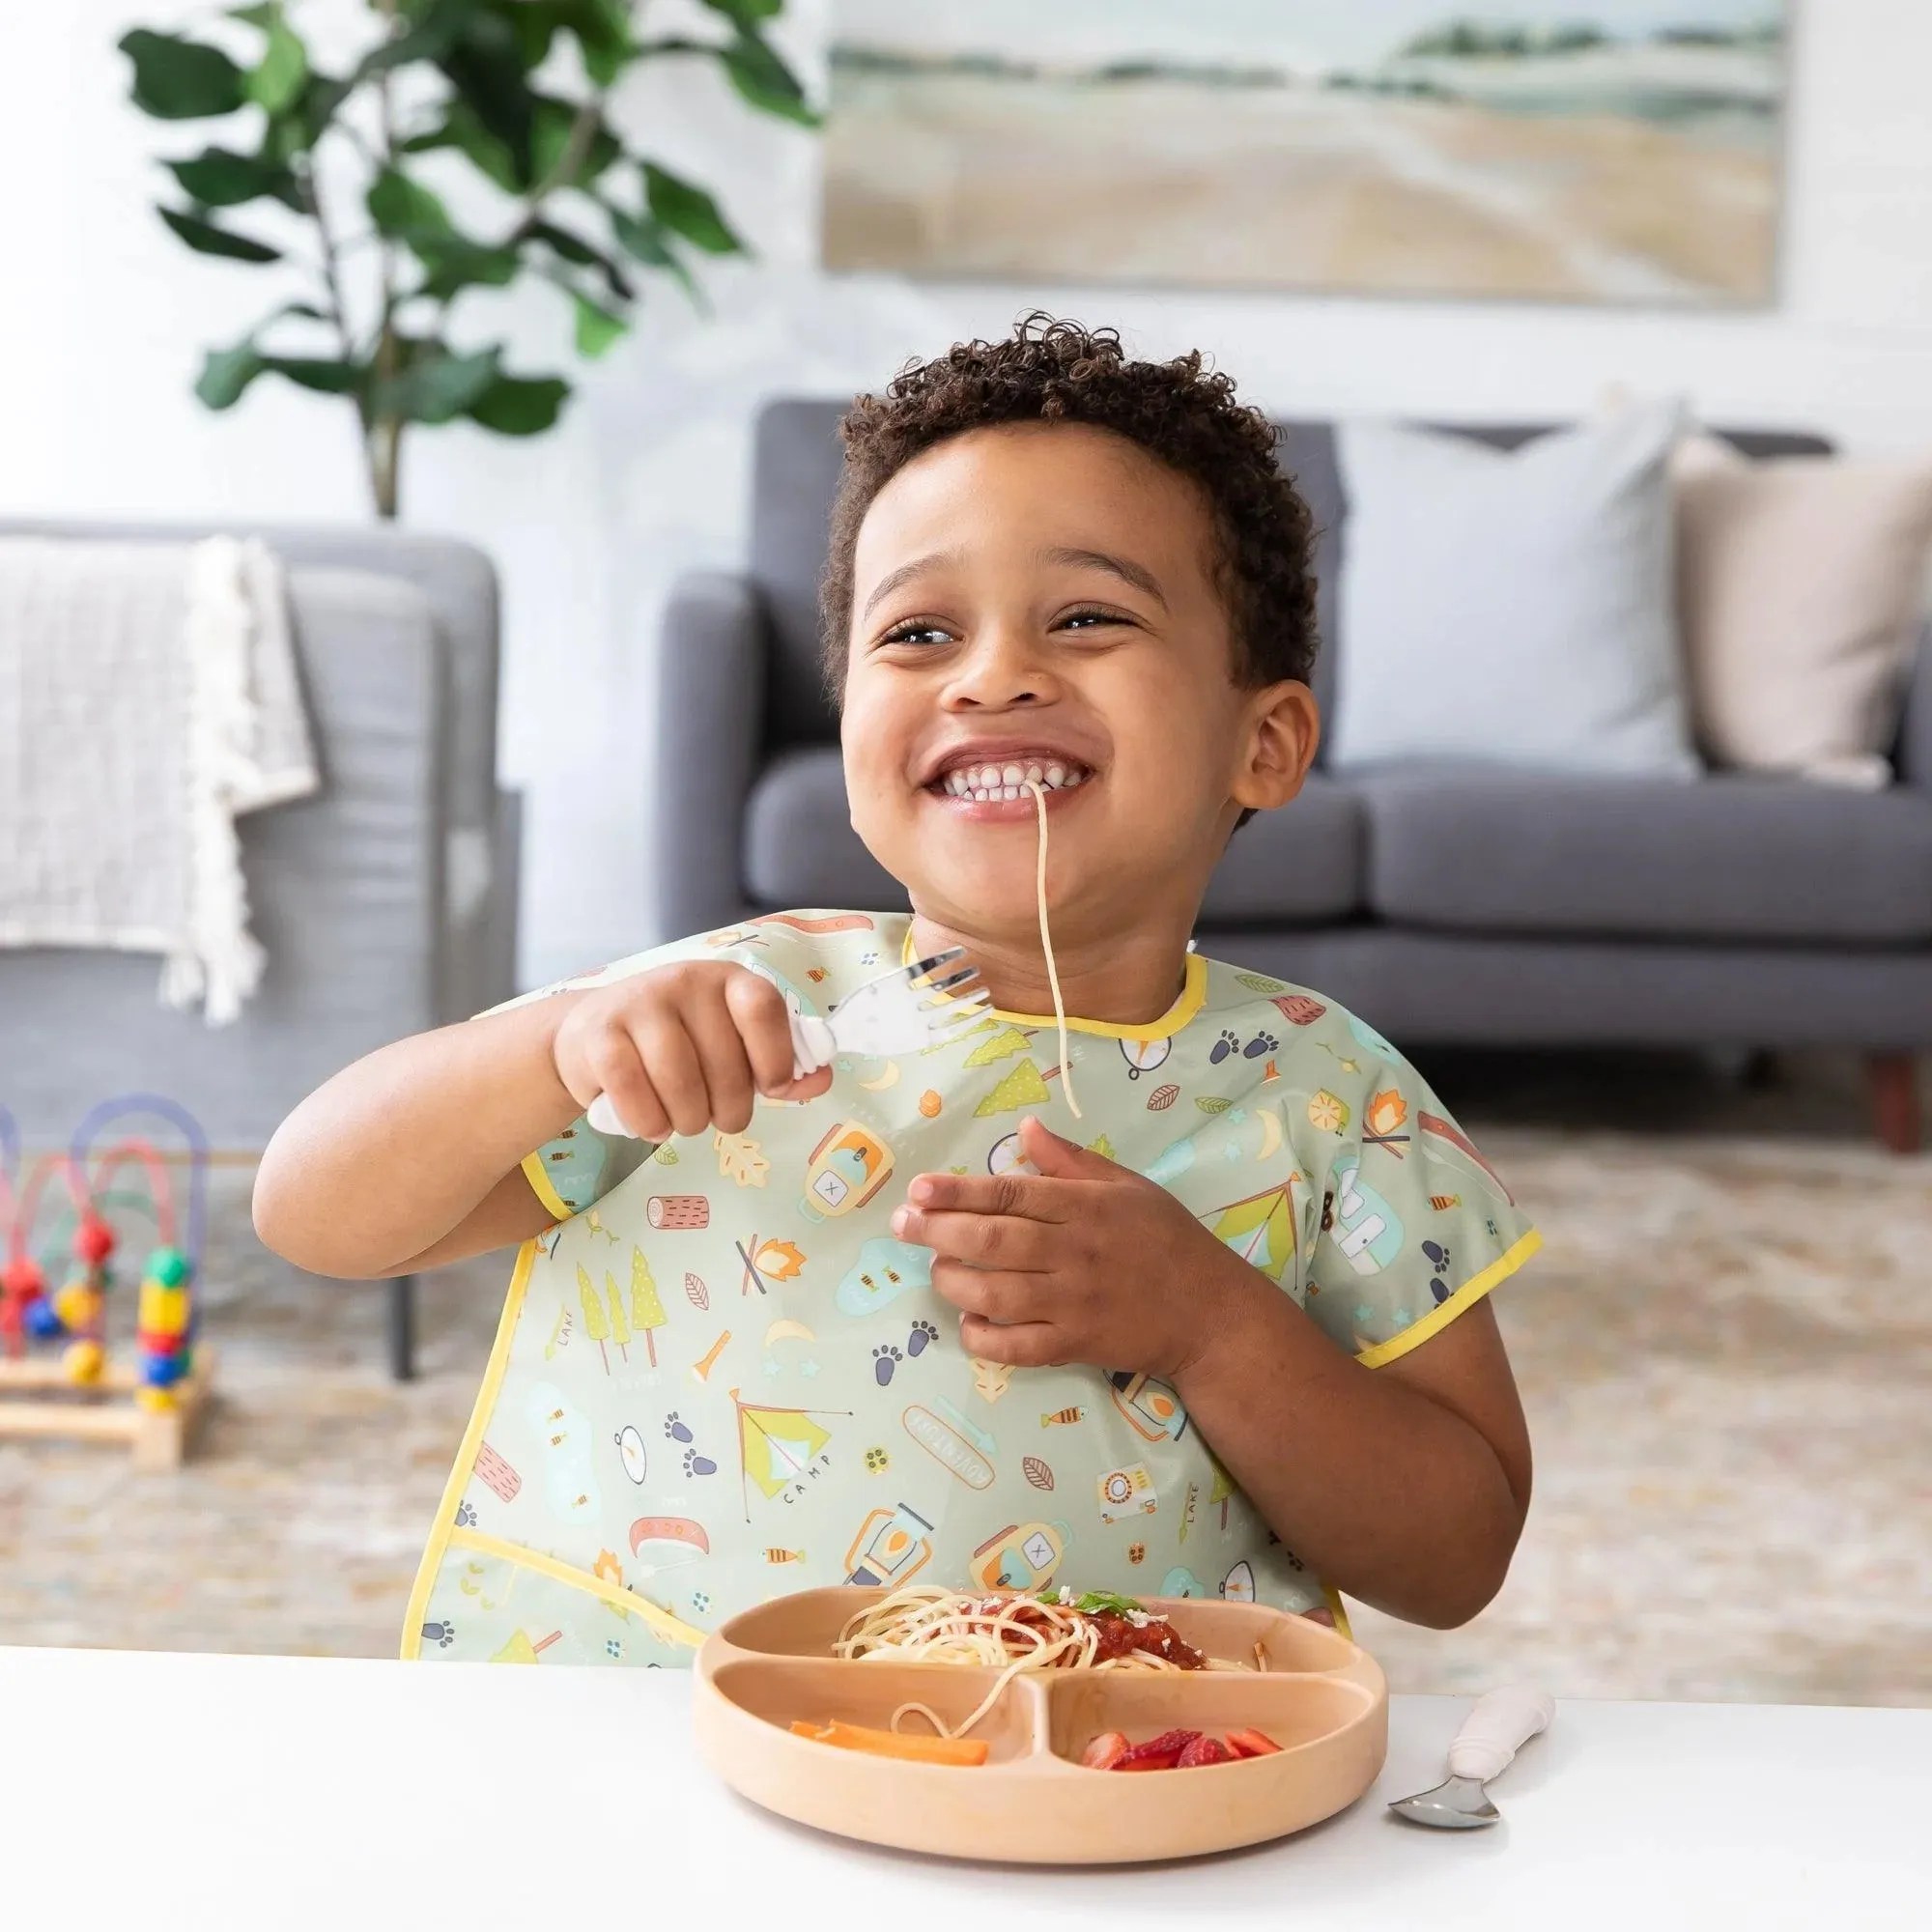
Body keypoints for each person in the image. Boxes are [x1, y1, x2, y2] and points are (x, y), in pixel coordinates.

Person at [255, 315, 1540, 1666]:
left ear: (1264, 743)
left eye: (1090, 616)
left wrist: (1211, 1325)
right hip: (657, 1754)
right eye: (920, 631)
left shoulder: (1335, 1102)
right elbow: (313, 1212)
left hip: (1106, 1791)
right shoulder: (722, 1016)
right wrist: (549, 1046)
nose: (993, 674)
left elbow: (1457, 1559)